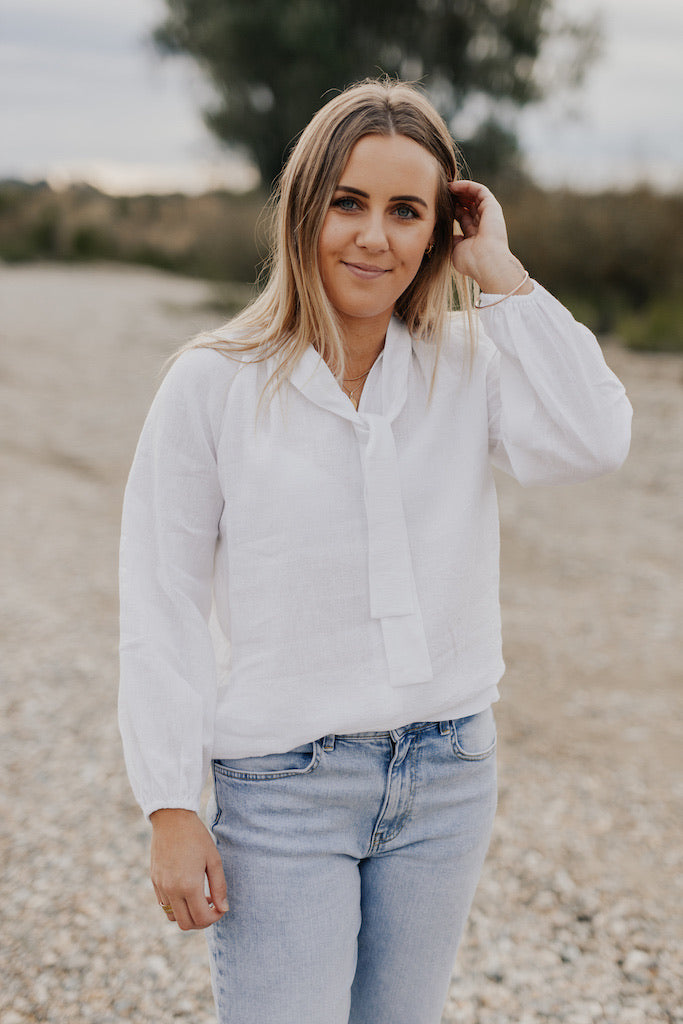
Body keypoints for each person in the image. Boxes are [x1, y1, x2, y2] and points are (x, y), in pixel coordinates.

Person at [118, 79, 632, 1024]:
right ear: (304, 208)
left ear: (440, 230)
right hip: (283, 793)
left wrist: (502, 273)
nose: (373, 236)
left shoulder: (470, 363)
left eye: (407, 211)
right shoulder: (210, 386)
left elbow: (595, 439)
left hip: (447, 777)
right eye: (348, 203)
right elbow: (161, 600)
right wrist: (168, 804)